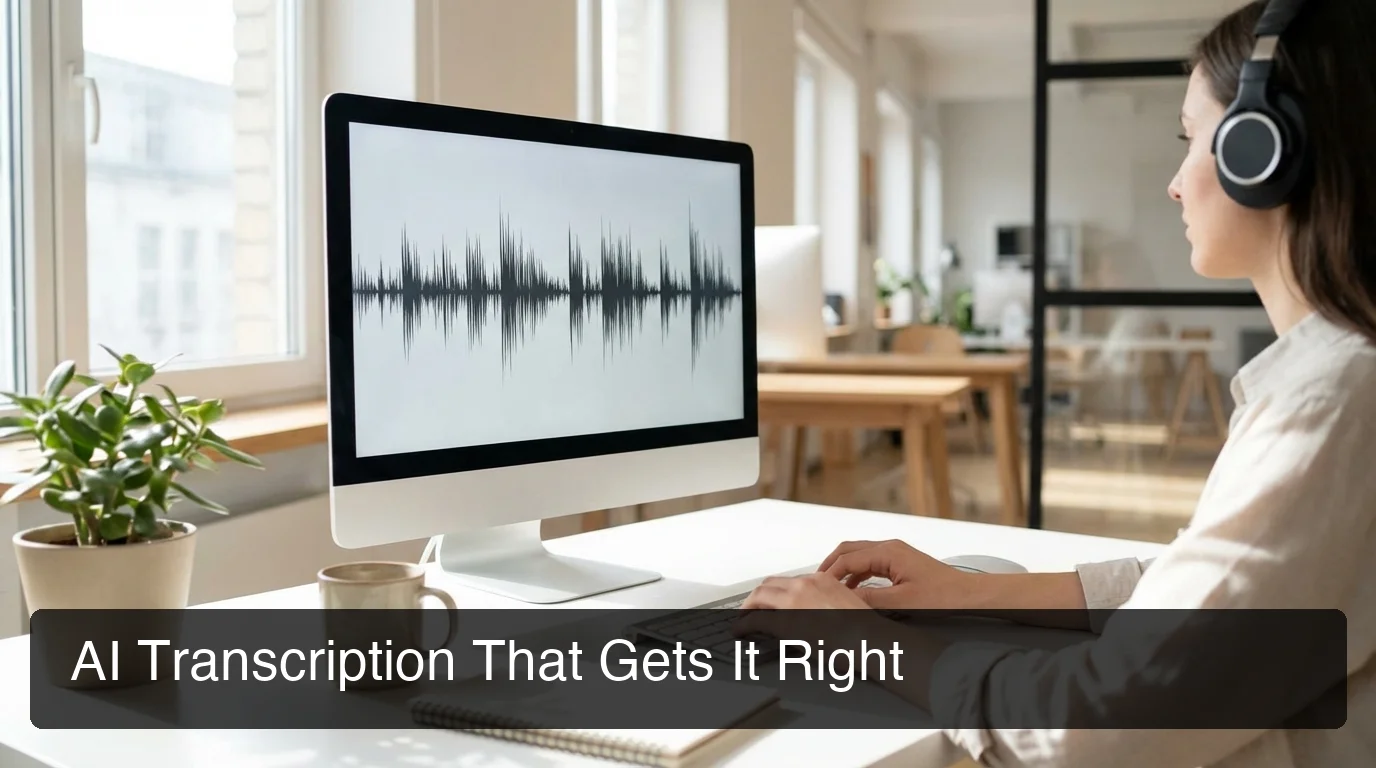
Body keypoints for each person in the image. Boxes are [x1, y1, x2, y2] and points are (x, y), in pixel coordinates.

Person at [741, 1, 1376, 765]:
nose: (1175, 185)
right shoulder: (1339, 383)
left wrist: (864, 645)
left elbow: (1087, 726)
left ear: (1261, 151)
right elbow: (1205, 591)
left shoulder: (1332, 402)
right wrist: (967, 591)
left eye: (1190, 139)